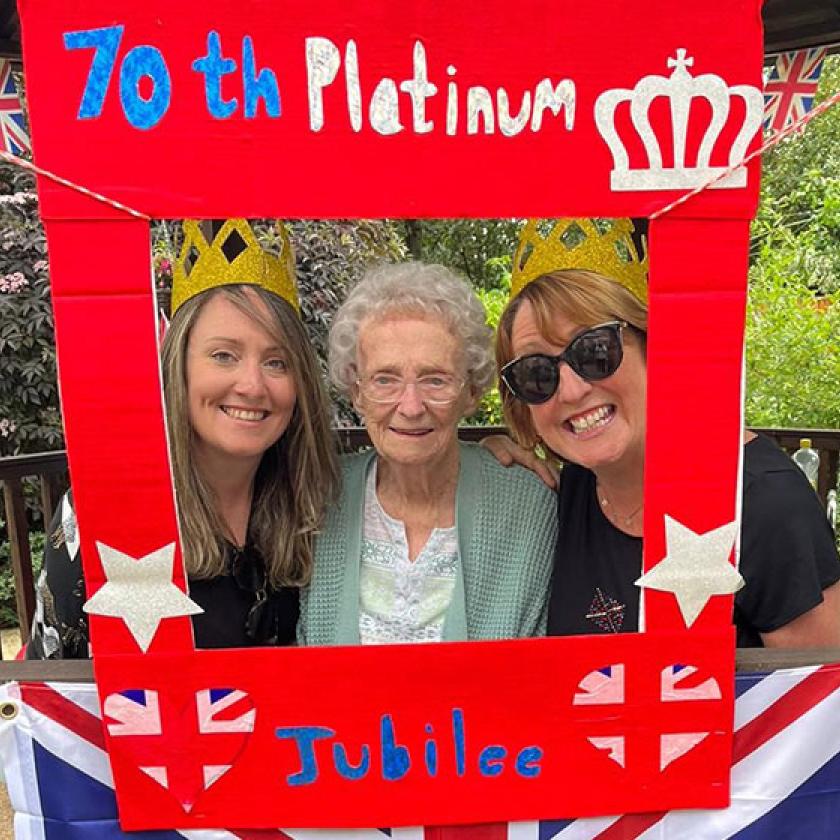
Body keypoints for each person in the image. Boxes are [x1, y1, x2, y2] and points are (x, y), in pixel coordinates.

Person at [492, 218, 840, 648]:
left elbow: (814, 701)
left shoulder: (763, 503)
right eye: (535, 374)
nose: (572, 389)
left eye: (596, 351)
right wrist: (483, 458)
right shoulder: (574, 489)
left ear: (655, 346)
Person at [28, 219, 340, 657]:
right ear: (180, 369)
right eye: (223, 356)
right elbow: (58, 696)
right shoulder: (103, 515)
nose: (252, 385)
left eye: (276, 362)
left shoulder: (315, 506)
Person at [299, 261, 556, 645]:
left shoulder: (528, 505)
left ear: (471, 392)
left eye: (435, 380)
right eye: (384, 379)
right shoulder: (320, 498)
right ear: (357, 392)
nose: (411, 405)